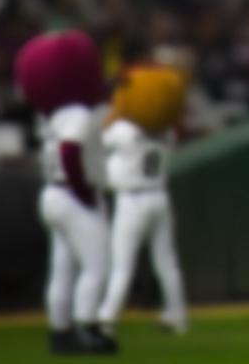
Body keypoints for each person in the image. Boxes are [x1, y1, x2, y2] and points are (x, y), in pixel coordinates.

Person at [14, 30, 116, 356]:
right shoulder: (77, 113)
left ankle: (60, 331)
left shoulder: (51, 115)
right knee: (97, 266)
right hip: (73, 194)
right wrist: (83, 191)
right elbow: (71, 151)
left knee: (63, 268)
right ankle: (87, 329)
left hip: (53, 194)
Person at [98, 63, 191, 336]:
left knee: (122, 265)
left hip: (132, 202)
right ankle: (177, 316)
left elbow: (103, 133)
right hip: (158, 198)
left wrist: (117, 107)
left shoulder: (124, 130)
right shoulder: (166, 132)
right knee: (166, 262)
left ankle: (106, 319)